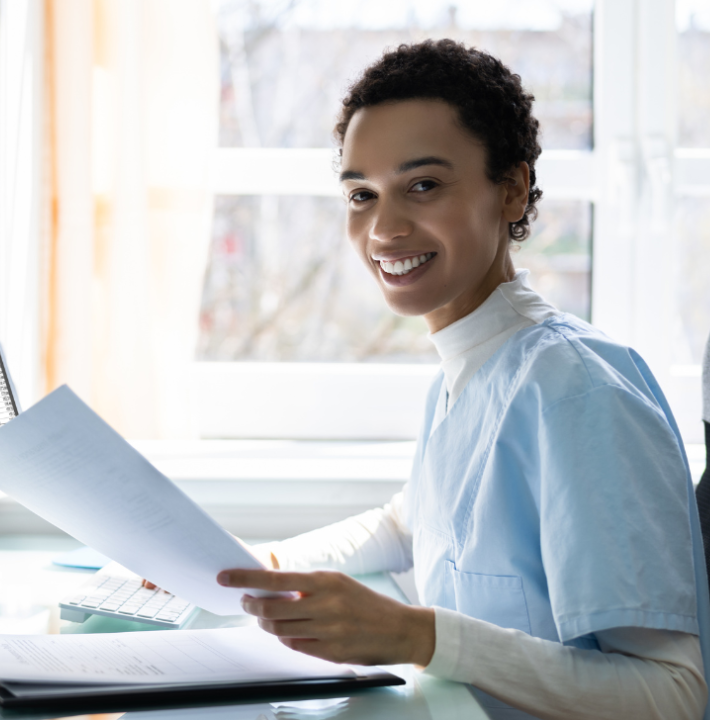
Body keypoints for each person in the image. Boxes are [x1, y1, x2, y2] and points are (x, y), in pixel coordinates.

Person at [217, 40, 710, 720]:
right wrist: (256, 565)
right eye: (362, 194)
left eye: (423, 185)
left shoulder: (578, 391)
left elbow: (676, 695)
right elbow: (415, 521)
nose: (384, 228)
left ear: (510, 189)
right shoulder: (472, 365)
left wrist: (418, 636)